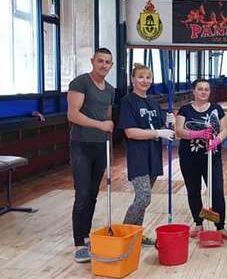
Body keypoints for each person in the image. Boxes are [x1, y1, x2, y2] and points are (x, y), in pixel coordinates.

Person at [67, 48, 115, 263]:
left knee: (93, 194)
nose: (104, 65)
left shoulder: (110, 89)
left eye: (107, 62)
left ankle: (85, 235)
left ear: (111, 65)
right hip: (81, 145)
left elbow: (107, 118)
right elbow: (72, 114)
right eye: (100, 61)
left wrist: (107, 127)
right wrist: (100, 125)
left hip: (100, 146)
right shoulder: (81, 83)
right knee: (82, 194)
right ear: (92, 61)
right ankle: (79, 244)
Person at [118, 64, 175, 245]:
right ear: (133, 79)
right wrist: (158, 133)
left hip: (153, 155)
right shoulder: (128, 101)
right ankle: (124, 234)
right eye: (141, 77)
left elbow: (161, 127)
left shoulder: (153, 102)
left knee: (143, 199)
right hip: (138, 156)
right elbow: (130, 132)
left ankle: (137, 234)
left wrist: (169, 123)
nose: (145, 81)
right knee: (144, 197)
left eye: (148, 77)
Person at [175, 79, 227, 240]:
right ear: (194, 91)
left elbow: (224, 130)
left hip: (212, 157)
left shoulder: (217, 109)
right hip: (189, 157)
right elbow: (178, 131)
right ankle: (198, 224)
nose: (203, 92)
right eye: (200, 89)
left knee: (217, 191)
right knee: (193, 191)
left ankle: (220, 227)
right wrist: (197, 134)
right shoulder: (185, 109)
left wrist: (216, 141)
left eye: (206, 89)